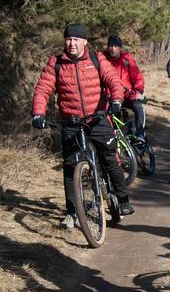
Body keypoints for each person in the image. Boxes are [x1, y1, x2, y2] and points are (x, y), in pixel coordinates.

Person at [31, 22, 135, 228]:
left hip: (97, 117)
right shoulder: (56, 63)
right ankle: (72, 212)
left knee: (109, 159)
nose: (72, 43)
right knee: (70, 166)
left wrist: (116, 100)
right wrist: (38, 114)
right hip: (71, 122)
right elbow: (43, 88)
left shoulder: (96, 58)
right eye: (68, 39)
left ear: (84, 41)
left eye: (76, 39)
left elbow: (113, 81)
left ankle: (123, 200)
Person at [103, 35, 146, 138]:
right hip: (111, 97)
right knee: (112, 117)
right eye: (110, 46)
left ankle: (140, 135)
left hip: (127, 95)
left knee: (139, 108)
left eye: (115, 46)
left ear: (120, 48)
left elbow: (138, 77)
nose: (112, 49)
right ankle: (117, 139)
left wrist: (138, 91)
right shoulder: (103, 60)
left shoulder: (126, 59)